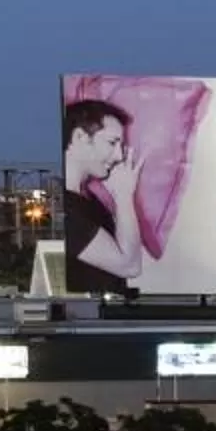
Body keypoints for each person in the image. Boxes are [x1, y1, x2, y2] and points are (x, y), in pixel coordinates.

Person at [61, 97, 142, 293]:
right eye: (111, 143)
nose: (119, 156)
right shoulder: (65, 210)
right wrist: (123, 197)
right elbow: (129, 266)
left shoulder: (87, 199)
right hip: (85, 319)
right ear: (80, 137)